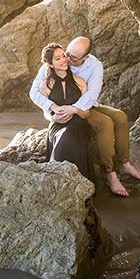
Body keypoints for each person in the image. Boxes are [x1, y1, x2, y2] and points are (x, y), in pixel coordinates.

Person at [30, 35, 140, 196]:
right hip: (72, 111)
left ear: (85, 57)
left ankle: (124, 163)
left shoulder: (94, 66)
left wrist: (74, 108)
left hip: (85, 105)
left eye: (72, 57)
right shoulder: (53, 64)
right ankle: (109, 173)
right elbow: (36, 93)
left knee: (120, 117)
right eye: (66, 53)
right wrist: (53, 111)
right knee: (105, 123)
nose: (67, 59)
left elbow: (92, 95)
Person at [38, 43, 94, 182]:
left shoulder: (81, 83)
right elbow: (46, 113)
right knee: (63, 134)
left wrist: (75, 110)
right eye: (58, 58)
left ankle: (71, 182)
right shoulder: (44, 86)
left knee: (69, 135)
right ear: (50, 64)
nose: (63, 60)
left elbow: (86, 113)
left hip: (78, 124)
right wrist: (53, 119)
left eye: (63, 55)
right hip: (57, 126)